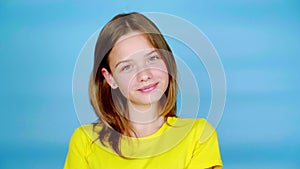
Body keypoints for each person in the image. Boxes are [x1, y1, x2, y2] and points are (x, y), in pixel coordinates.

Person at [64, 12, 223, 169]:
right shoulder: (85, 141)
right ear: (110, 78)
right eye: (127, 67)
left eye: (152, 58)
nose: (144, 75)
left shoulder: (198, 135)